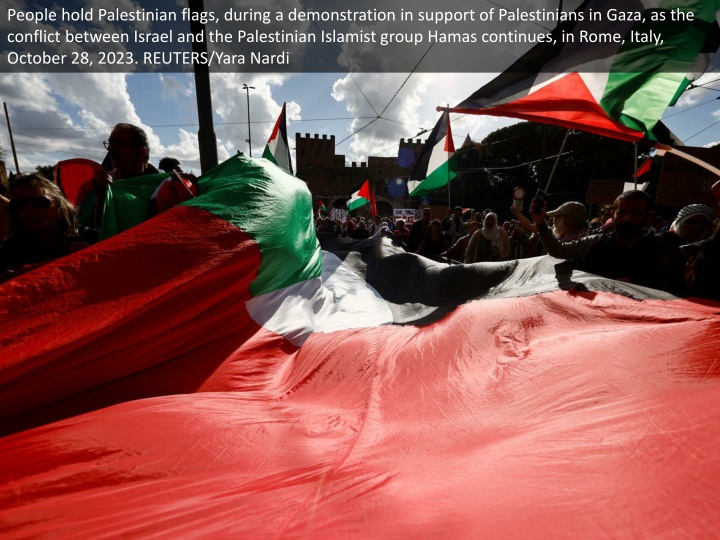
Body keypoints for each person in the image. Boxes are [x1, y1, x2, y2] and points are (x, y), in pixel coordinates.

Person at [530, 190, 686, 295]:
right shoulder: (594, 243)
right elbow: (558, 251)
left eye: (636, 213)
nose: (628, 219)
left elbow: (673, 292)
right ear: (613, 214)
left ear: (648, 215)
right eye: (622, 212)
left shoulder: (662, 252)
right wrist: (540, 223)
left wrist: (635, 284)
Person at [1, 174, 97, 281]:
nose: (30, 211)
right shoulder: (12, 252)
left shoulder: (92, 238)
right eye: (19, 204)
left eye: (40, 201)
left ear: (60, 204)